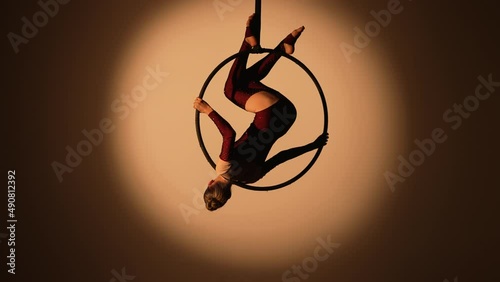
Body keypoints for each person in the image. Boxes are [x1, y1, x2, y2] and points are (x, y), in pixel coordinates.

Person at [193, 14, 328, 211]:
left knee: (245, 81)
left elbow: (281, 156)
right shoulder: (222, 168)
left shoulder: (251, 178)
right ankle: (253, 42)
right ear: (210, 184)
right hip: (267, 112)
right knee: (230, 91)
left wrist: (313, 145)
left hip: (287, 116)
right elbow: (228, 133)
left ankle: (282, 46)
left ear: (229, 196)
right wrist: (208, 111)